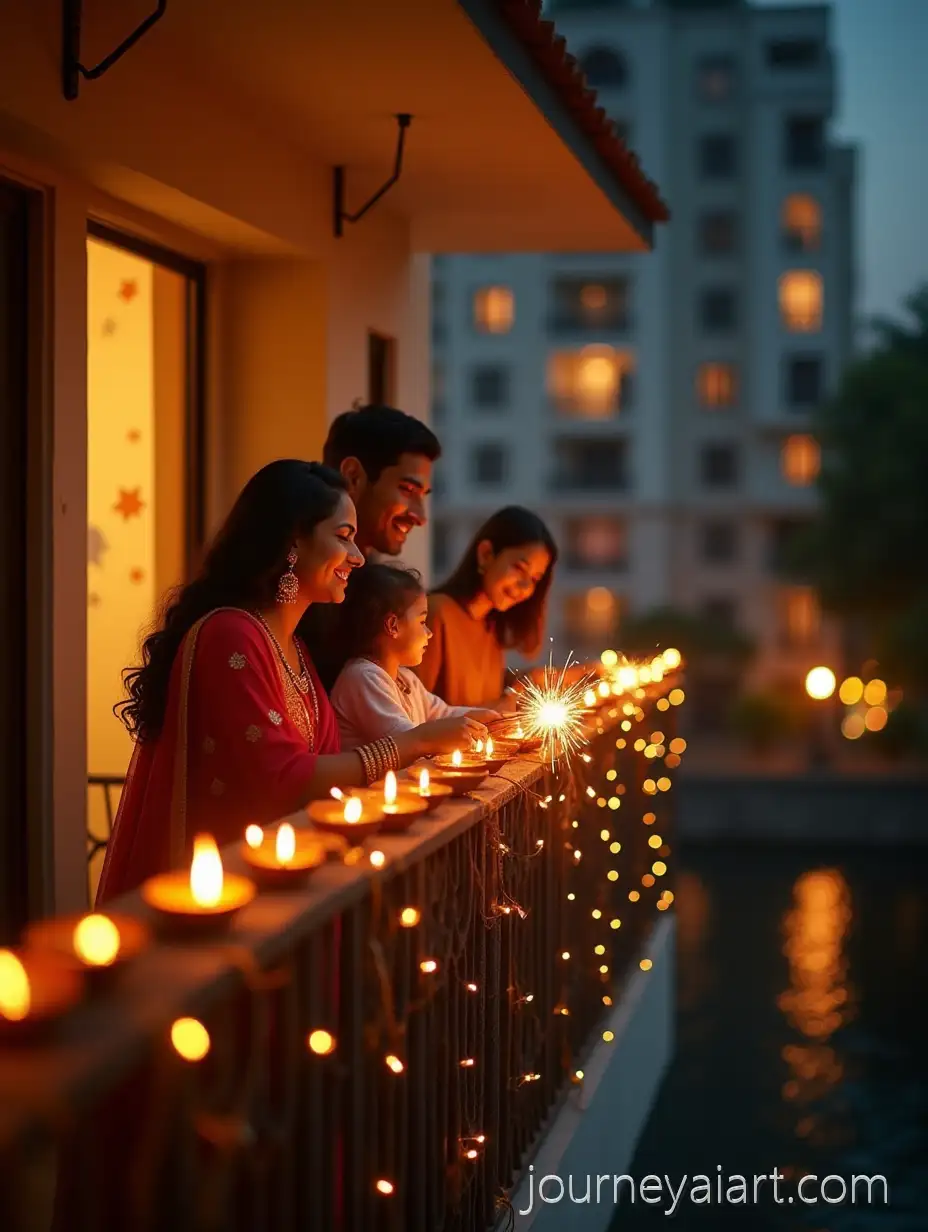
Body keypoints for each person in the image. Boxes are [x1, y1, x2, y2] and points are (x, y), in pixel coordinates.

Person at [96, 460, 446, 904]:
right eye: (343, 537)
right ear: (292, 542)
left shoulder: (294, 648)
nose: (357, 557)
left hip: (286, 882)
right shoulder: (230, 635)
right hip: (225, 890)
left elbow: (325, 767)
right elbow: (283, 779)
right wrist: (416, 742)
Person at [297, 404, 441, 689]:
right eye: (407, 490)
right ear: (353, 476)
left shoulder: (371, 586)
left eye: (423, 495)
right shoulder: (299, 582)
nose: (421, 516)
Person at [330, 562, 498, 750]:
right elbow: (406, 740)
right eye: (422, 622)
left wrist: (486, 718)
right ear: (393, 625)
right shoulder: (362, 678)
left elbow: (441, 713)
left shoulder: (405, 678)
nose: (429, 633)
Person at [414, 507, 558, 710]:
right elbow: (415, 714)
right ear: (486, 554)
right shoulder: (436, 614)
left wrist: (530, 682)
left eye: (534, 579)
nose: (525, 586)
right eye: (519, 568)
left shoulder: (491, 629)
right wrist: (499, 708)